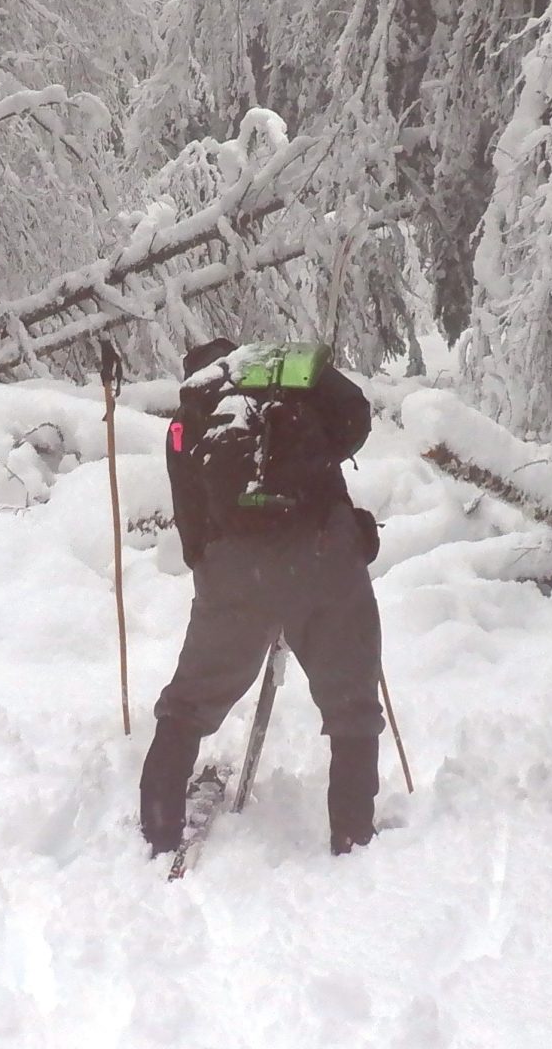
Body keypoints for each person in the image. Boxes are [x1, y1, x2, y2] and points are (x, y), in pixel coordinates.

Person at [139, 338, 388, 857]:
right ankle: (352, 833)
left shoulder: (193, 414)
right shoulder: (294, 388)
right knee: (352, 703)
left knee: (189, 701)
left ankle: (159, 828)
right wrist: (342, 523)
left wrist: (218, 572)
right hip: (324, 556)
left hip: (235, 571)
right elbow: (354, 418)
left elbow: (190, 517)